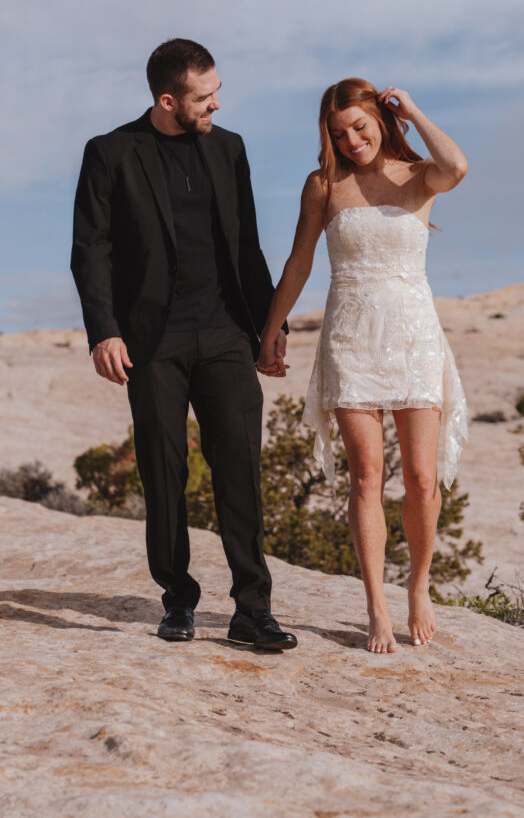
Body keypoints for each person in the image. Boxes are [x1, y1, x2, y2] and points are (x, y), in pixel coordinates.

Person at [71, 38, 297, 651]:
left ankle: (253, 609)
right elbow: (91, 250)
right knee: (164, 472)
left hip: (224, 333)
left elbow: (247, 246)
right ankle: (177, 598)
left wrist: (269, 326)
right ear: (168, 100)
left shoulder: (229, 150)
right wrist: (104, 330)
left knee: (239, 470)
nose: (216, 105)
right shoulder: (112, 153)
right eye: (204, 97)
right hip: (152, 341)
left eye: (217, 91)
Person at [257, 78, 468, 653]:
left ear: (381, 117)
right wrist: (272, 331)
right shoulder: (324, 184)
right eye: (338, 132)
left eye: (360, 126)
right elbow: (300, 262)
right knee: (366, 478)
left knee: (423, 479)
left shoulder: (421, 175)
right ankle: (376, 601)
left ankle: (419, 587)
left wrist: (414, 110)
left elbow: (459, 165)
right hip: (351, 338)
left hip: (413, 335)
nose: (351, 141)